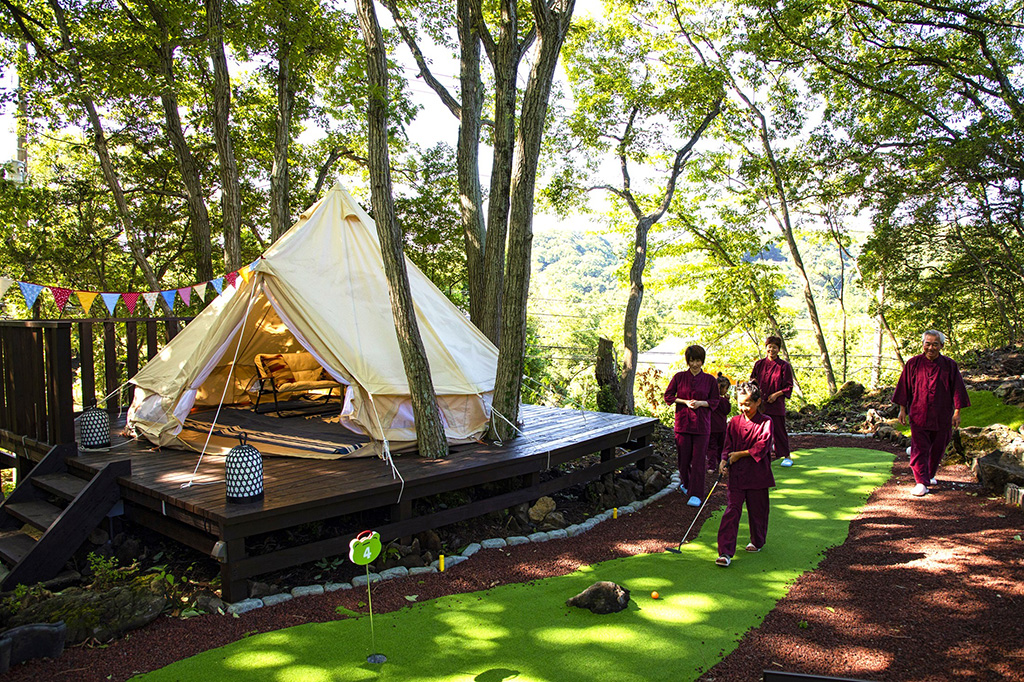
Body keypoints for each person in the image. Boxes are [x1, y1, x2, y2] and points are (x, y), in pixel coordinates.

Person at [892, 330, 971, 497]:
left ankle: (929, 474)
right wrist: (902, 410)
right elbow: (904, 388)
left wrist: (957, 412)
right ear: (922, 344)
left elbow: (958, 390)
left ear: (941, 345)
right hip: (919, 414)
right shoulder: (913, 364)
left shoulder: (950, 365)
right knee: (919, 448)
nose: (931, 347)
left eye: (935, 344)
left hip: (942, 415)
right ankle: (921, 481)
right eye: (927, 343)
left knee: (938, 447)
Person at [715, 380, 775, 567]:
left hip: (758, 475)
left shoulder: (766, 422)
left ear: (758, 402)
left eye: (747, 404)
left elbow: (762, 447)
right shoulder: (733, 422)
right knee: (732, 510)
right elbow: (727, 446)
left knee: (758, 511)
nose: (743, 408)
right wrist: (724, 461)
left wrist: (739, 455)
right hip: (737, 476)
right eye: (740, 404)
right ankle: (725, 552)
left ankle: (757, 541)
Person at [664, 345, 720, 507]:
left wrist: (701, 403)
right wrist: (684, 401)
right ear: (687, 361)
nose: (695, 364)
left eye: (698, 361)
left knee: (698, 461)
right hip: (682, 424)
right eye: (692, 360)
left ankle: (697, 493)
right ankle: (687, 484)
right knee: (683, 459)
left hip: (702, 426)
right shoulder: (679, 377)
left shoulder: (710, 380)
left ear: (702, 361)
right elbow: (668, 396)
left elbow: (715, 401)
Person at [751, 335, 794, 466]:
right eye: (769, 347)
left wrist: (776, 395)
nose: (772, 350)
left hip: (777, 404)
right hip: (761, 403)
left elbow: (788, 386)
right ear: (766, 348)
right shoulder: (759, 364)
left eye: (775, 347)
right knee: (760, 430)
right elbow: (753, 380)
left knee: (779, 429)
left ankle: (787, 456)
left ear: (779, 349)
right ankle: (761, 454)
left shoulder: (784, 366)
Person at [707, 373, 732, 472]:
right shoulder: (722, 401)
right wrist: (727, 401)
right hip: (720, 427)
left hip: (712, 427)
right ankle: (720, 464)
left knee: (712, 448)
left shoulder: (709, 399)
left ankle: (711, 466)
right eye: (726, 388)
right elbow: (727, 410)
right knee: (721, 447)